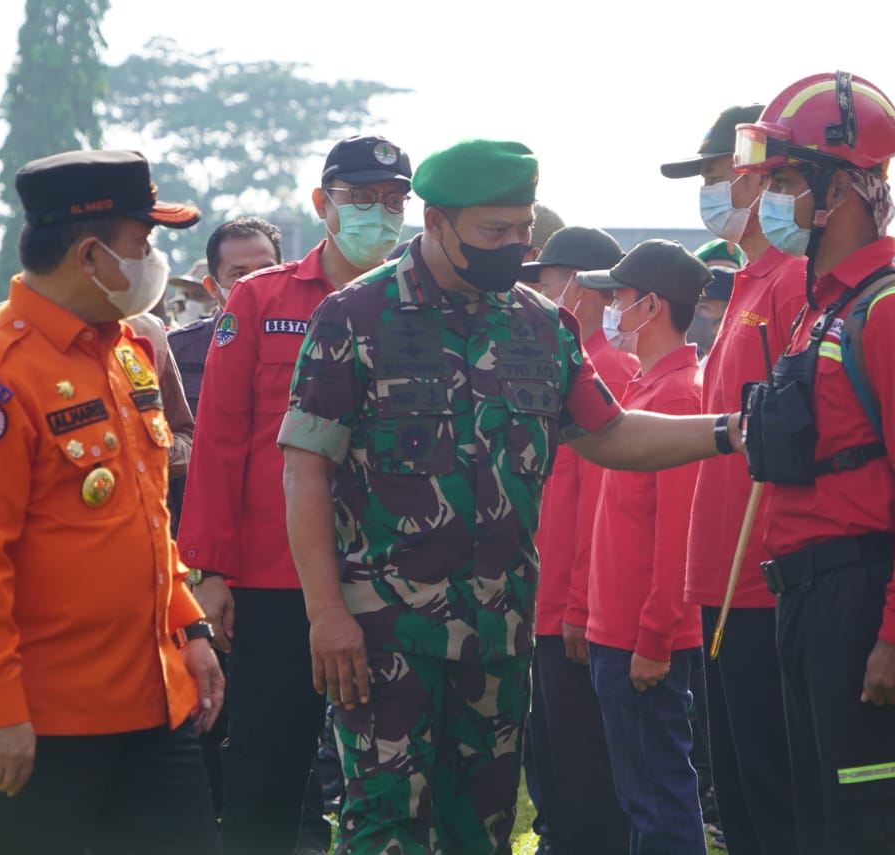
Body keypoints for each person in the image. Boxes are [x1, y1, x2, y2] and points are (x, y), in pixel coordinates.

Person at [279, 138, 729, 854]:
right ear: (436, 223)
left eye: (522, 229)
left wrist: (730, 430)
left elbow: (609, 433)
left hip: (497, 635)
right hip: (385, 636)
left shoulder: (540, 325)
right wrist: (325, 613)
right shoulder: (355, 316)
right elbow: (305, 470)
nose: (514, 245)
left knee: (481, 829)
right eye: (496, 231)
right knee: (384, 828)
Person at [0, 149, 223, 855]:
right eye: (143, 242)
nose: (152, 259)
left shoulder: (124, 349)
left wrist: (194, 630)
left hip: (153, 697)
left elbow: (147, 518)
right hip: (44, 717)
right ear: (90, 254)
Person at [730, 72, 895, 854]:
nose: (772, 199)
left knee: (871, 828)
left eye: (789, 180)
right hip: (808, 601)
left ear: (845, 193)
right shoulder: (824, 311)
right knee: (823, 828)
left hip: (861, 602)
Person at [178, 134, 412, 855]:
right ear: (322, 204)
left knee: (393, 766)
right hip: (272, 576)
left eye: (394, 199)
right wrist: (210, 571)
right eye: (360, 198)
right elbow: (217, 439)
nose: (379, 212)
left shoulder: (417, 301)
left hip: (391, 571)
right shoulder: (260, 298)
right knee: (267, 760)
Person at [668, 103, 806, 855]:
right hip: (721, 578)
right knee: (740, 799)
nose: (712, 191)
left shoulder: (794, 280)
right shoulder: (749, 282)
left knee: (774, 798)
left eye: (721, 175)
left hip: (765, 581)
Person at [577, 239, 710, 854]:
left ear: (652, 305)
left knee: (658, 799)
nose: (609, 308)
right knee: (642, 796)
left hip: (642, 636)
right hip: (621, 630)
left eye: (619, 298)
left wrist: (656, 635)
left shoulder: (679, 395)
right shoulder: (646, 387)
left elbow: (681, 531)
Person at [519, 225, 634, 855]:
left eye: (543, 280)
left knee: (582, 768)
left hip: (572, 612)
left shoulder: (606, 369)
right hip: (546, 602)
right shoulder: (567, 358)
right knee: (552, 764)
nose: (536, 292)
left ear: (577, 286)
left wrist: (580, 610)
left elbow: (601, 508)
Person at [168, 218, 283, 418]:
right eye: (240, 274)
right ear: (212, 287)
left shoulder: (310, 343)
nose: (255, 283)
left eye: (267, 271)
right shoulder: (177, 350)